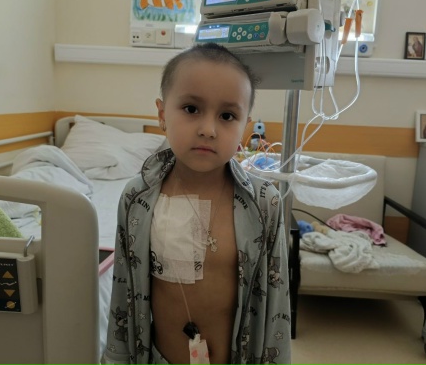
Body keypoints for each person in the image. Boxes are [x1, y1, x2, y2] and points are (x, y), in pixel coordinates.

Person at [104, 43, 291, 364]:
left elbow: (276, 303)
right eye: (191, 109)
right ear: (162, 114)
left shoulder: (264, 203)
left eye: (227, 116)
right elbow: (123, 294)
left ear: (245, 126)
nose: (208, 130)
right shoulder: (137, 198)